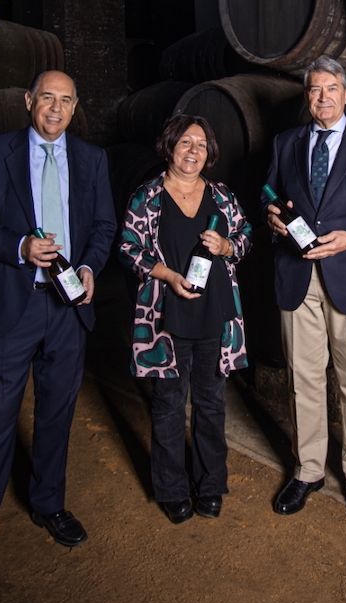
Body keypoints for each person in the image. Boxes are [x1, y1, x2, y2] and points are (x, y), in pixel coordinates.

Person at [0, 70, 116, 593]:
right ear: (28, 101)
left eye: (66, 101)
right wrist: (19, 248)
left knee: (56, 418)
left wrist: (90, 268)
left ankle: (48, 505)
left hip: (68, 311)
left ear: (76, 108)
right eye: (47, 99)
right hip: (14, 310)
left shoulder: (92, 159)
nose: (55, 109)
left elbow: (103, 226)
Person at [264, 55, 346, 522]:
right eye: (314, 90)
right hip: (296, 275)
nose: (321, 98)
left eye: (330, 89)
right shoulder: (285, 143)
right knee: (303, 381)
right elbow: (271, 199)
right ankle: (309, 469)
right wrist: (274, 222)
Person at [119, 114, 251, 525]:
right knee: (169, 405)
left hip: (215, 315)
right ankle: (173, 490)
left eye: (200, 144)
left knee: (211, 405)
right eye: (185, 143)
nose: (193, 151)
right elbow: (128, 248)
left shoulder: (223, 196)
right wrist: (168, 275)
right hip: (166, 315)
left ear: (209, 152)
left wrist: (229, 245)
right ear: (169, 147)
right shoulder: (148, 197)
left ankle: (211, 485)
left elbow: (246, 235)